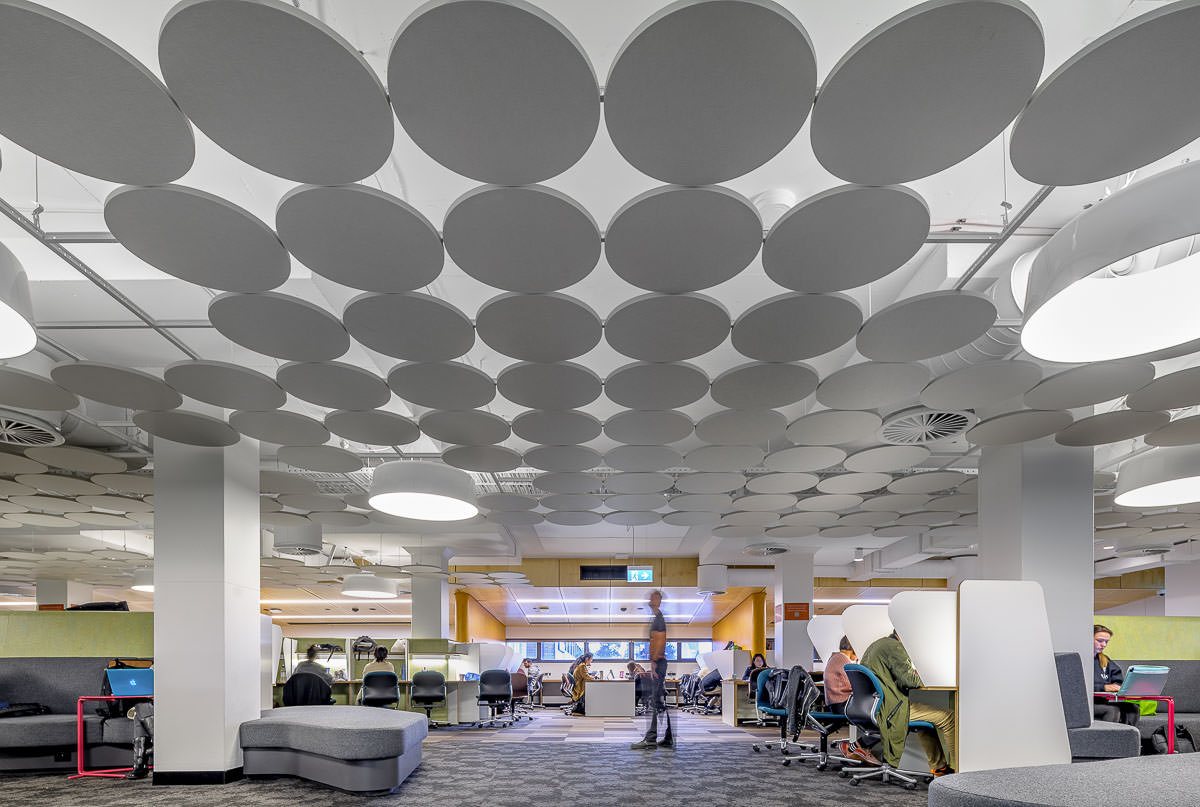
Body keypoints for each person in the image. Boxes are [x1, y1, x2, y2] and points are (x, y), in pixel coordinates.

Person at [861, 630, 956, 777]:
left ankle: (940, 768)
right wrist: (928, 676)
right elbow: (910, 681)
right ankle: (959, 771)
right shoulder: (894, 646)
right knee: (949, 717)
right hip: (891, 708)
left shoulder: (878, 644)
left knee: (928, 720)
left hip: (874, 705)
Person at [631, 590, 674, 749]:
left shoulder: (659, 619)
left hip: (659, 662)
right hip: (659, 662)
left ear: (658, 600)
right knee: (657, 701)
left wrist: (654, 662)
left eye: (653, 597)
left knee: (655, 701)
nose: (649, 599)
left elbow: (660, 640)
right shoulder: (656, 618)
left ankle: (651, 738)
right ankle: (668, 737)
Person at [1093, 624, 1140, 726]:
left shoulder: (1105, 660)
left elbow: (1118, 681)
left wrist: (1120, 687)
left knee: (1133, 708)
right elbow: (1075, 686)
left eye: (1106, 642)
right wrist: (1104, 687)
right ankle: (1106, 741)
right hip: (1086, 704)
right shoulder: (1080, 660)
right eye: (1100, 641)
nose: (1104, 645)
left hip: (1102, 702)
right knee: (1112, 710)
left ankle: (1127, 740)